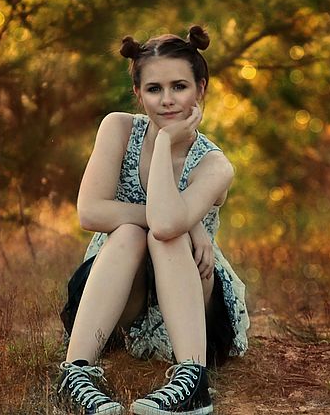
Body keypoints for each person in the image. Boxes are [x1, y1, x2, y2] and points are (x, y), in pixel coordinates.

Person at [56, 25, 250, 415]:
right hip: (117, 291)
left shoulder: (214, 165)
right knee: (129, 233)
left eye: (179, 86)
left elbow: (164, 228)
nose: (167, 101)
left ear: (201, 88)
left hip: (189, 300)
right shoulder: (118, 127)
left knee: (167, 237)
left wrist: (164, 144)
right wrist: (188, 220)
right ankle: (76, 374)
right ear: (137, 93)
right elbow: (89, 211)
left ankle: (192, 381)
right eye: (154, 89)